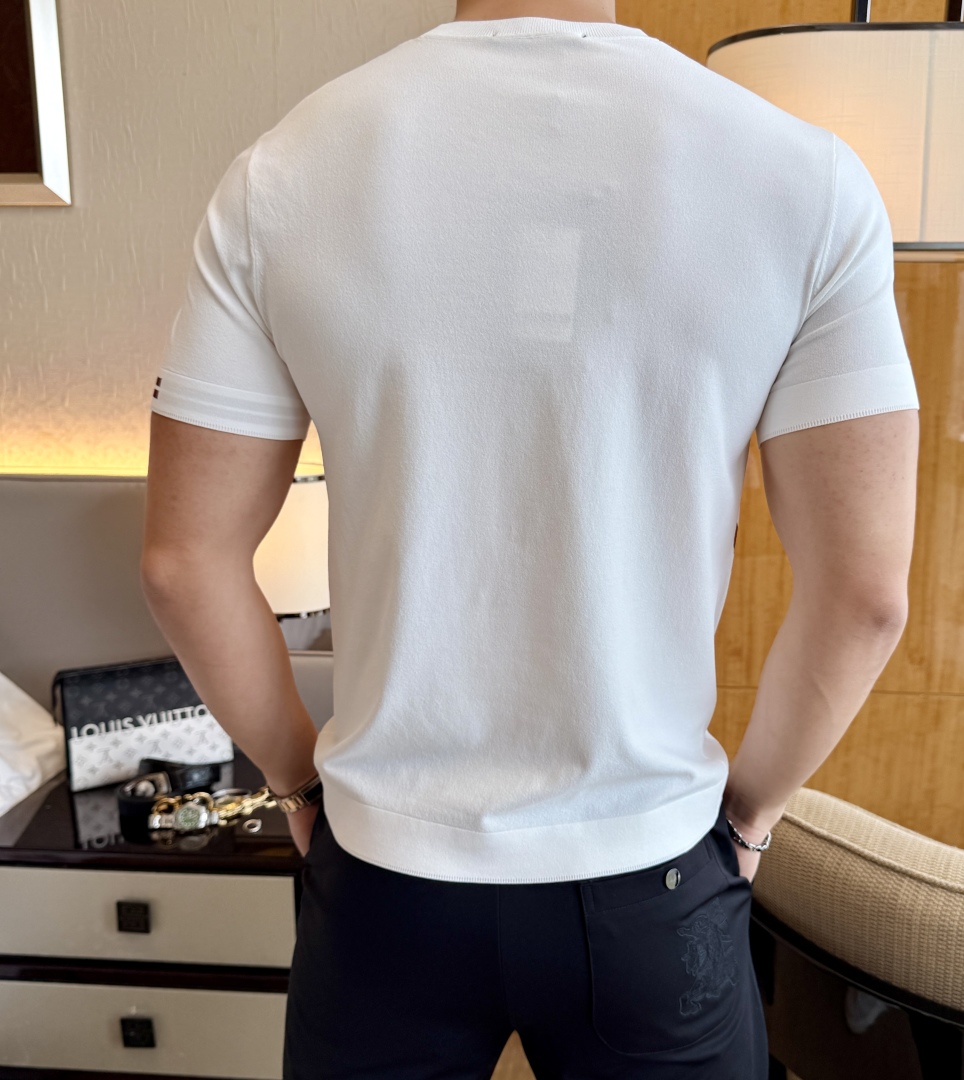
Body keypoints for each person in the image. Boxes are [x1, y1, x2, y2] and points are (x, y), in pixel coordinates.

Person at [141, 0, 920, 1076]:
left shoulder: (280, 176)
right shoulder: (805, 181)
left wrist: (296, 784)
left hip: (385, 873)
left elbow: (183, 564)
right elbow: (866, 596)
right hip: (652, 870)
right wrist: (745, 821)